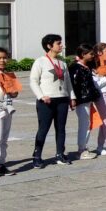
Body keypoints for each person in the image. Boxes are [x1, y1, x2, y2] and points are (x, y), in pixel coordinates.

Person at [29, 34, 76, 168]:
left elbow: (68, 82)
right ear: (49, 46)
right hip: (47, 101)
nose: (62, 46)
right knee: (43, 129)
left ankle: (60, 154)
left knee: (61, 128)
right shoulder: (40, 61)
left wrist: (72, 97)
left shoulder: (62, 63)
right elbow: (33, 81)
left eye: (61, 43)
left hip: (62, 99)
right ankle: (37, 156)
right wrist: (41, 96)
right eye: (58, 43)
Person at [69, 44, 102, 160]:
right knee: (84, 125)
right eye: (91, 54)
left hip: (87, 99)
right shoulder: (76, 68)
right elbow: (72, 84)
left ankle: (83, 148)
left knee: (87, 124)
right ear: (83, 54)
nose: (93, 56)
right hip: (81, 100)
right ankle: (82, 149)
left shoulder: (86, 67)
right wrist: (72, 99)